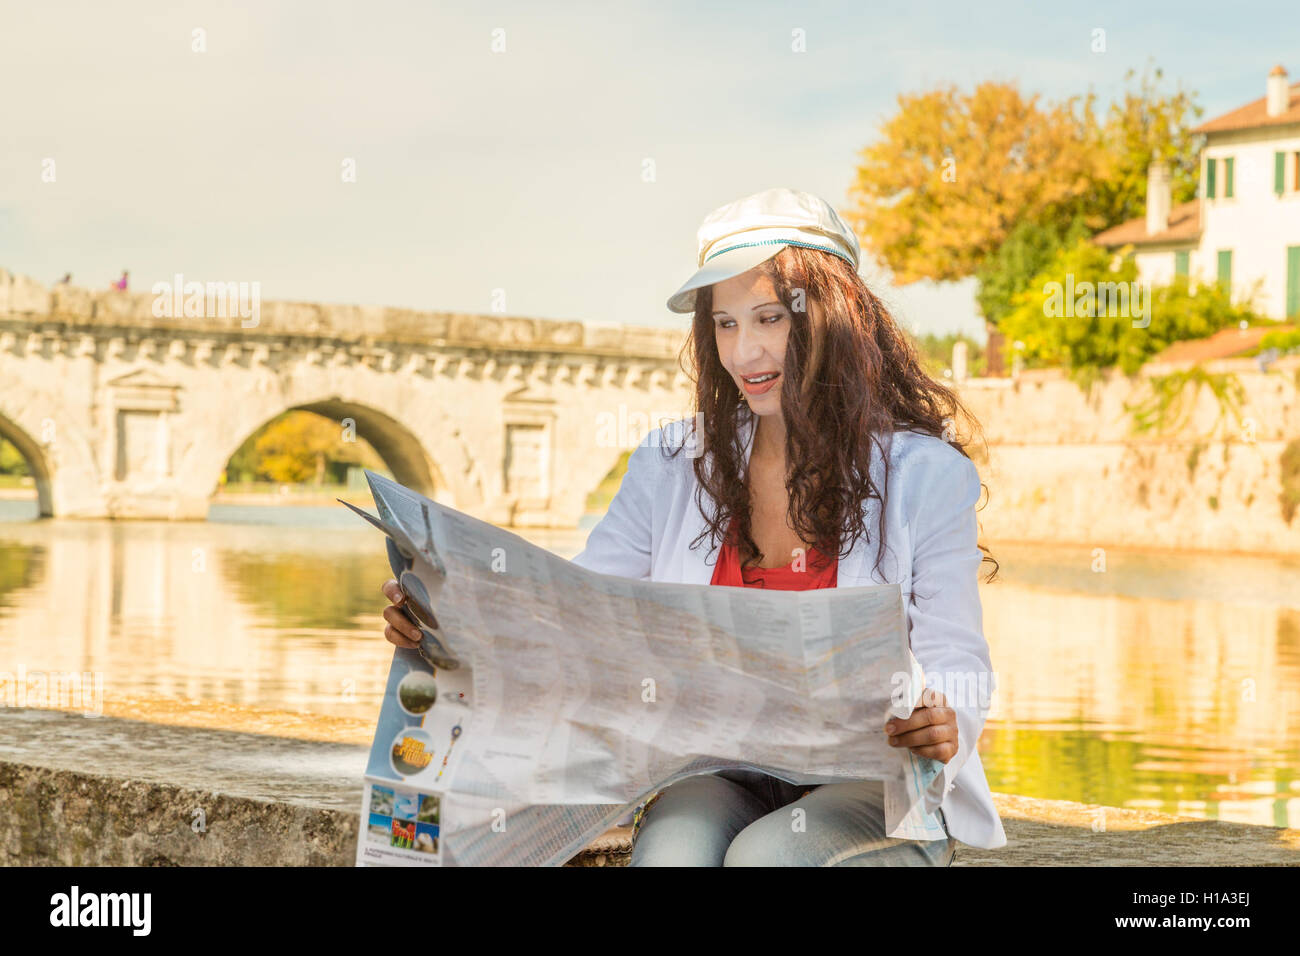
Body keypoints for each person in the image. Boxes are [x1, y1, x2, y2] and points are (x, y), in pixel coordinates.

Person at [380, 187, 1007, 865]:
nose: (745, 352)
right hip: (719, 768)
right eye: (725, 323)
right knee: (673, 853)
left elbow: (957, 656)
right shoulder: (671, 462)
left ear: (834, 319)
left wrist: (944, 718)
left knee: (767, 858)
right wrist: (448, 618)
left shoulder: (926, 474)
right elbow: (573, 609)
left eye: (769, 317)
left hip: (871, 782)